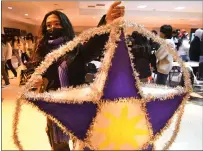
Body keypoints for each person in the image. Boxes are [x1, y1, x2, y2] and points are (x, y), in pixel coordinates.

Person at [33, 1, 124, 150]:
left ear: (65, 25)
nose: (52, 28)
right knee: (59, 145)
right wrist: (38, 80)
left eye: (57, 24)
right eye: (48, 25)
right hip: (55, 105)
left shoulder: (75, 47)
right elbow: (36, 71)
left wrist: (106, 22)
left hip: (78, 103)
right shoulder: (42, 50)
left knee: (82, 141)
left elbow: (94, 45)